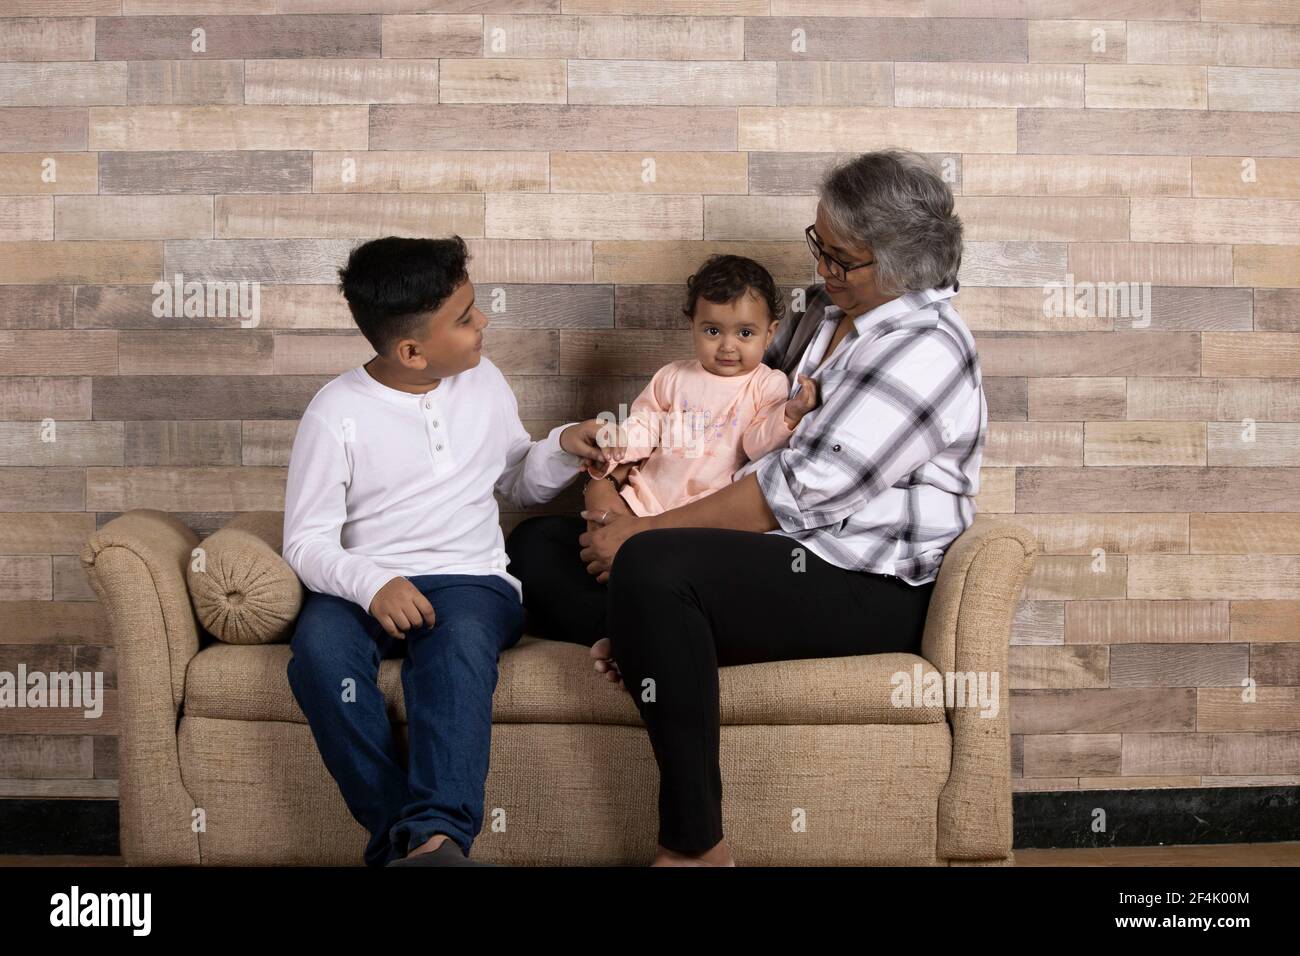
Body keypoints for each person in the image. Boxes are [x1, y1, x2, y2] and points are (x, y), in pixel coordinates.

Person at [505, 148, 986, 867]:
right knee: (538, 543)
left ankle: (695, 847)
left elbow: (796, 490)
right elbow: (742, 416)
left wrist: (638, 537)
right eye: (819, 244)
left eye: (841, 258)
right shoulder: (826, 313)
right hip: (778, 552)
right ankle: (646, 633)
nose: (822, 267)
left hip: (863, 579)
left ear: (898, 265)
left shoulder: (924, 348)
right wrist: (612, 500)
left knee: (657, 564)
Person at [282, 235, 605, 867]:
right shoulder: (335, 412)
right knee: (319, 655)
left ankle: (438, 837)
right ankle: (398, 839)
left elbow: (517, 480)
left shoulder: (482, 380)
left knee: (454, 652)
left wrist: (566, 444)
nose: (483, 321)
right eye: (464, 317)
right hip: (363, 587)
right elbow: (305, 539)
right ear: (411, 350)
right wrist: (372, 584)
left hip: (469, 580)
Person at [585, 254, 818, 522]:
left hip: (703, 509)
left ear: (769, 334)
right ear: (693, 326)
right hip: (645, 496)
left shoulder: (767, 383)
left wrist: (789, 414)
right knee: (608, 542)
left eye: (744, 333)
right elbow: (646, 425)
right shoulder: (673, 375)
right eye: (712, 331)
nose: (728, 346)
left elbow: (756, 446)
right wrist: (616, 448)